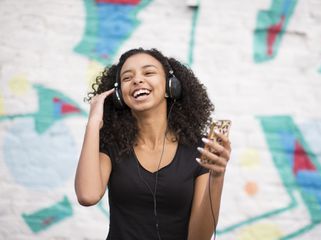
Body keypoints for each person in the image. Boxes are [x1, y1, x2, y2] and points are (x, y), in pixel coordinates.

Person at [74, 48, 232, 240]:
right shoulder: (111, 146)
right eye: (126, 78)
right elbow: (87, 196)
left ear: (171, 86)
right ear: (118, 95)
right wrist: (93, 123)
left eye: (148, 72)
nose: (137, 80)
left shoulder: (198, 149)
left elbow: (199, 238)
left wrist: (217, 177)